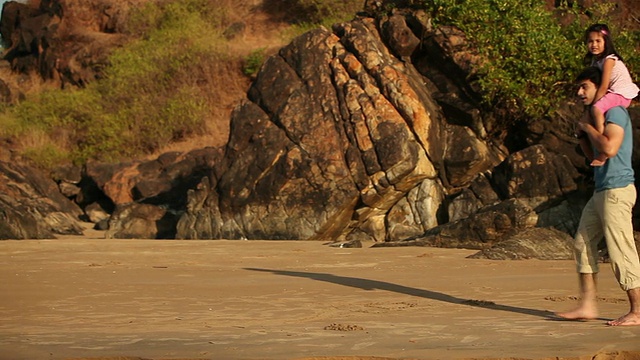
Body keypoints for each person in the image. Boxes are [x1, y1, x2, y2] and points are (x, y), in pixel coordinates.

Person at [557, 66, 640, 326]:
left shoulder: (615, 112)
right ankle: (588, 306)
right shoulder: (598, 118)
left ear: (600, 88)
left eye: (585, 87)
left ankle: (637, 311)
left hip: (617, 190)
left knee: (620, 250)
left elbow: (610, 148)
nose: (580, 92)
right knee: (582, 242)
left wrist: (588, 128)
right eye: (578, 88)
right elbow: (593, 156)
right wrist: (583, 134)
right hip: (602, 189)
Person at [582, 23, 639, 166]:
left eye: (598, 41)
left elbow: (603, 86)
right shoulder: (596, 62)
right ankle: (597, 143)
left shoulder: (609, 60)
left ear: (606, 42)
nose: (594, 45)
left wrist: (595, 104)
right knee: (592, 113)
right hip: (614, 93)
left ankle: (603, 146)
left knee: (596, 109)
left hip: (621, 93)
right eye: (590, 41)